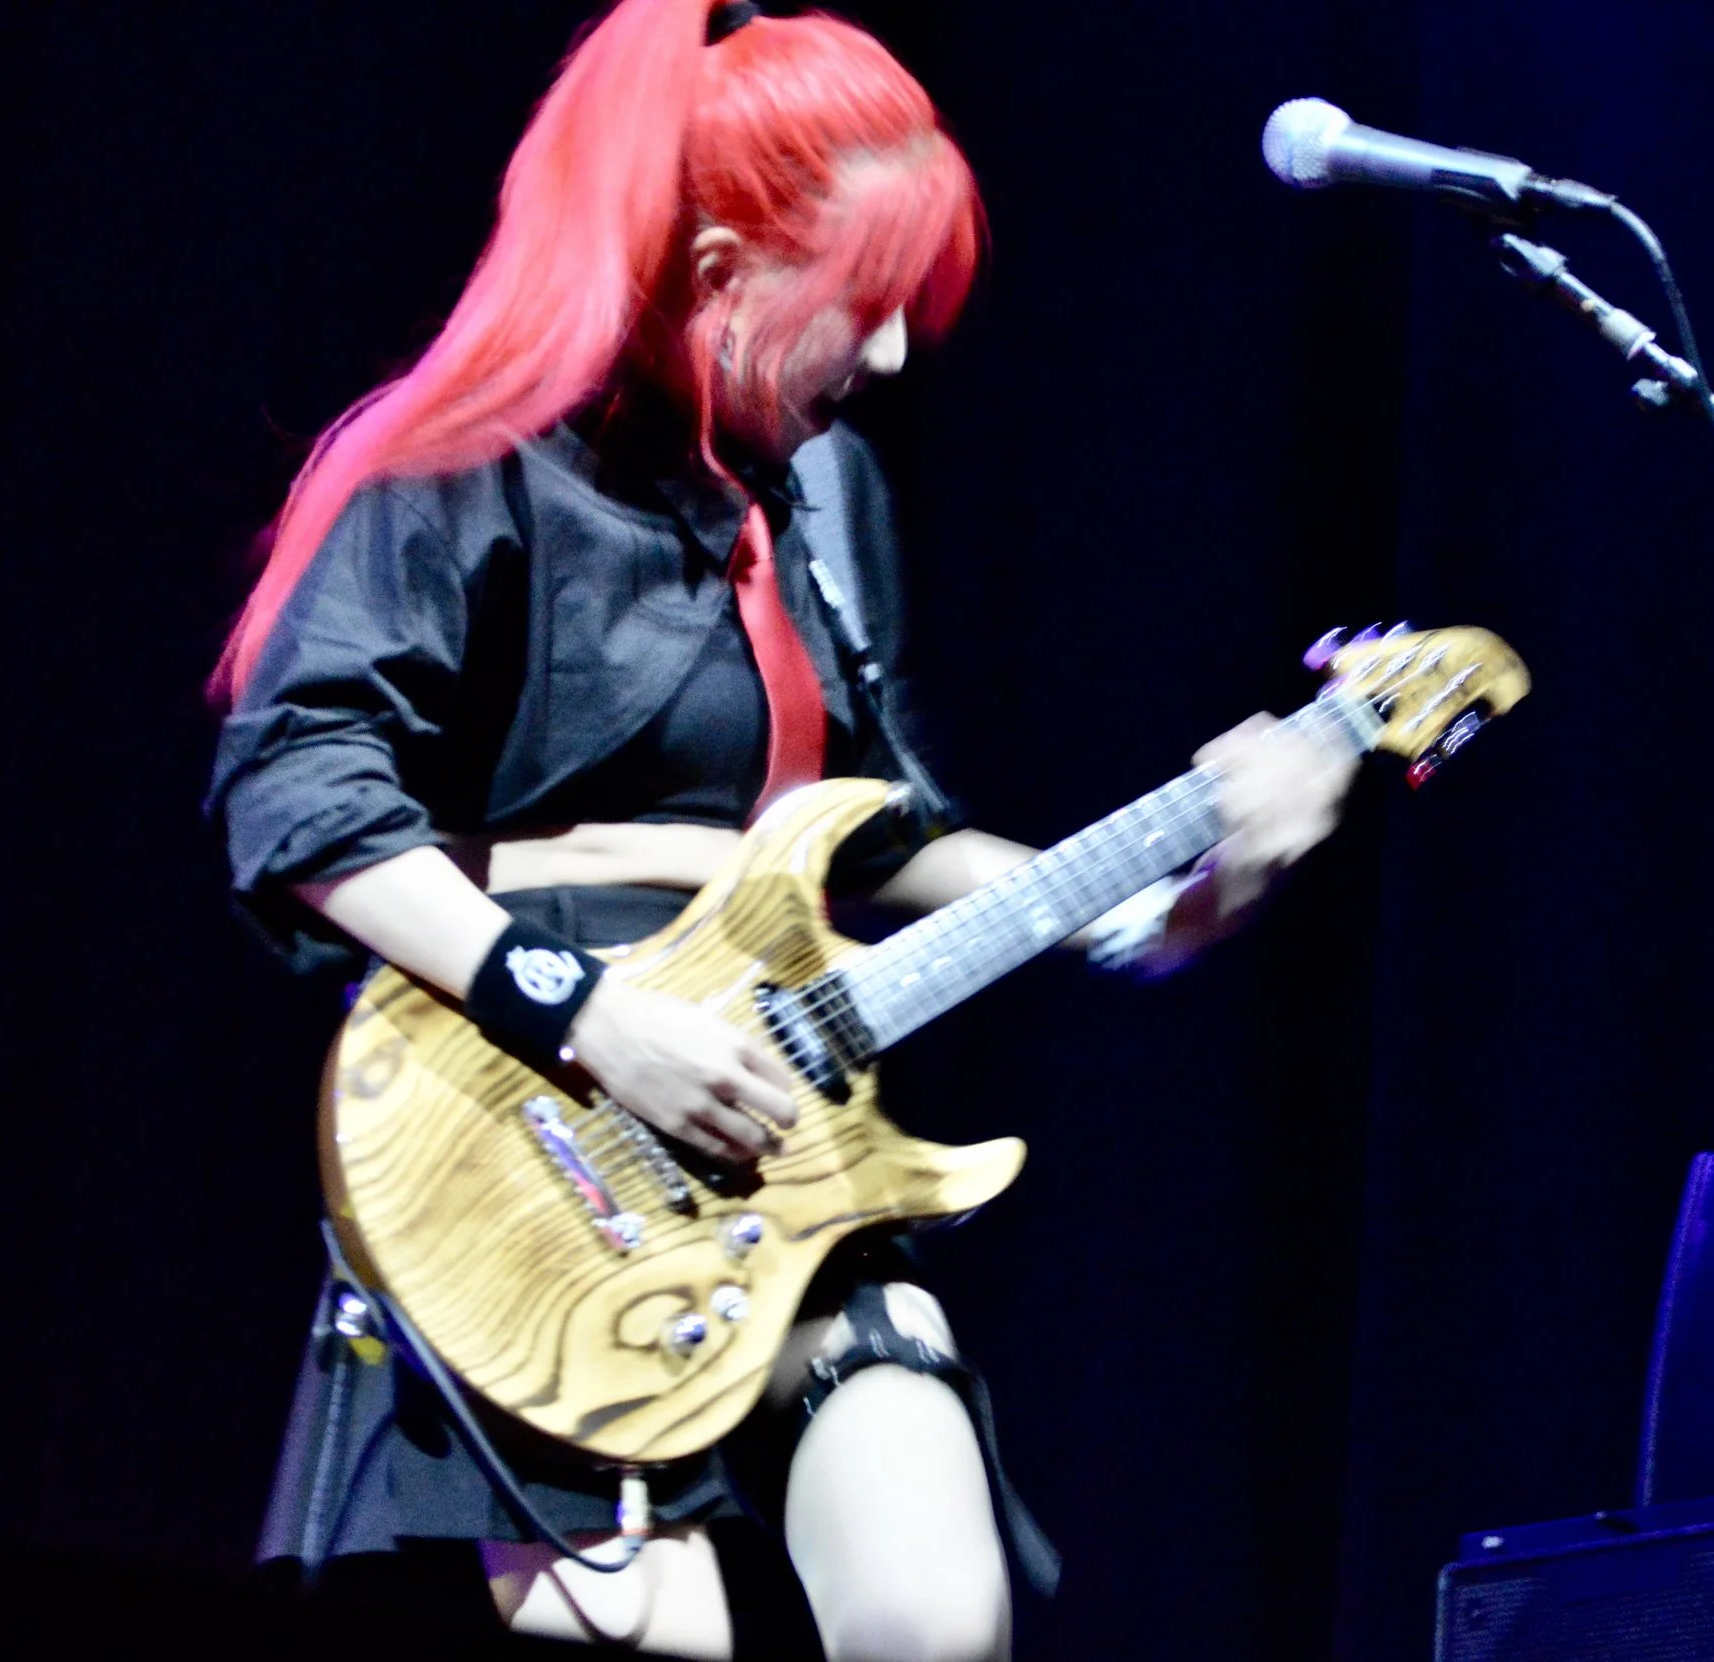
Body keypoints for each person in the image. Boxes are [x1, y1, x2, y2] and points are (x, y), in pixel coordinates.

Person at [206, 3, 1358, 1655]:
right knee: (654, 1633)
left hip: (779, 1131)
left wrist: (1175, 891)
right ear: (720, 267)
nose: (888, 358)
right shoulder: (465, 461)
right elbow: (300, 794)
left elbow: (877, 835)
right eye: (861, 302)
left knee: (932, 1615)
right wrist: (594, 1019)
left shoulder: (823, 499)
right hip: (524, 1124)